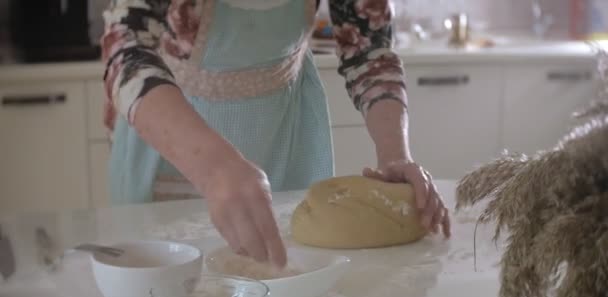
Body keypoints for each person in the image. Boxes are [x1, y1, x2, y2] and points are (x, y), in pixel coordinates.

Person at [101, 0, 450, 268]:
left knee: (283, 292)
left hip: (286, 137)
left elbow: (368, 48)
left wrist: (395, 156)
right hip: (174, 138)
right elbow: (125, 51)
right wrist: (217, 168)